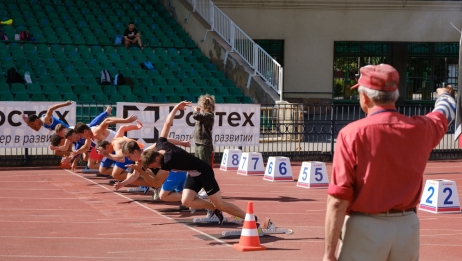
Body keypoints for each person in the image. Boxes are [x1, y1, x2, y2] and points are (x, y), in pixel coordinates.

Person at [322, 64, 456, 261]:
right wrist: (445, 95)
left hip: (365, 228)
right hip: (407, 227)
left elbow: (337, 200)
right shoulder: (420, 128)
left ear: (365, 97)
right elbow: (445, 113)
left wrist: (328, 254)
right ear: (394, 94)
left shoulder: (352, 134)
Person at [135, 101, 250, 225]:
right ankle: (215, 209)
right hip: (193, 172)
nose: (155, 168)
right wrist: (176, 108)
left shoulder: (167, 161)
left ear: (156, 159)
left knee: (220, 203)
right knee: (186, 200)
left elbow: (156, 182)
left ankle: (251, 219)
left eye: (153, 166)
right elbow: (167, 124)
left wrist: (140, 170)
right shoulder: (161, 144)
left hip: (203, 171)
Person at [193, 95, 216, 199]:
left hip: (204, 145)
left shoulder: (209, 115)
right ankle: (201, 188)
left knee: (205, 167)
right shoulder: (204, 115)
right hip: (198, 143)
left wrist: (195, 111)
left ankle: (208, 189)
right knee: (198, 167)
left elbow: (196, 116)